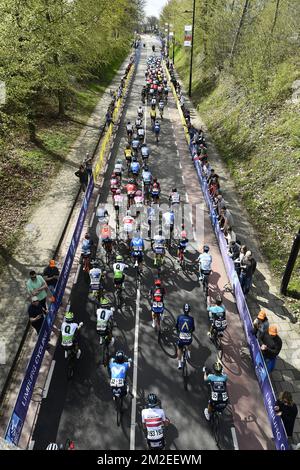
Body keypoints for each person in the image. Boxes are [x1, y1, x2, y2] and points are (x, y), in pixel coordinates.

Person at [176, 304, 195, 369]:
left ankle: (179, 364)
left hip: (181, 337)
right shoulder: (191, 319)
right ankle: (188, 352)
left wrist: (177, 331)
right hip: (188, 338)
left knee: (179, 348)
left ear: (183, 310)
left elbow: (176, 326)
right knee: (189, 342)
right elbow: (193, 329)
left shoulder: (179, 317)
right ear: (189, 310)